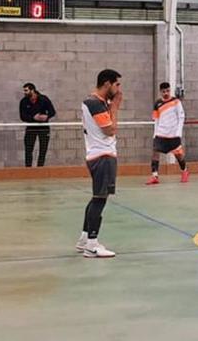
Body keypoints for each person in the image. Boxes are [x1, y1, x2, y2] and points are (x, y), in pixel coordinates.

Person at [75, 69, 122, 259]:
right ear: (107, 84)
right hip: (102, 156)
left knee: (96, 198)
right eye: (117, 84)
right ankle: (92, 245)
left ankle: (84, 239)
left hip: (100, 154)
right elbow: (110, 130)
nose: (119, 89)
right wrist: (116, 108)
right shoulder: (94, 103)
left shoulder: (99, 104)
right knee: (100, 199)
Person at [146, 82, 189, 185]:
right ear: (160, 92)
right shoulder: (157, 104)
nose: (166, 93)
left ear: (170, 90)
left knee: (179, 155)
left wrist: (178, 132)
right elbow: (156, 120)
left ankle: (184, 170)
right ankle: (154, 176)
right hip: (161, 133)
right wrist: (155, 134)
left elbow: (181, 117)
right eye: (164, 91)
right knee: (155, 153)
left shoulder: (176, 101)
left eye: (168, 91)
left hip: (173, 134)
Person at [19, 83, 57, 167]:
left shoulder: (44, 99)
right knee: (28, 149)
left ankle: (40, 169)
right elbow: (22, 116)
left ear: (32, 90)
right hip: (31, 128)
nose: (24, 92)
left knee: (43, 149)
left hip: (43, 128)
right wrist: (34, 118)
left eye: (26, 90)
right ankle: (28, 169)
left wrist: (46, 117)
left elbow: (52, 111)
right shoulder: (23, 102)